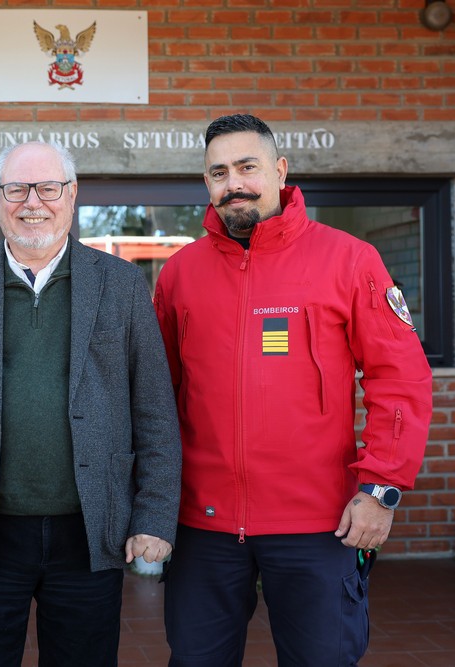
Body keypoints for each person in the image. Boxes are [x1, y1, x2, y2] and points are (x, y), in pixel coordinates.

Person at [154, 114, 433, 666]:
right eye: (218, 172)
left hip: (317, 522)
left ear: (280, 171)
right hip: (202, 525)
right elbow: (155, 396)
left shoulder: (350, 260)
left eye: (246, 167)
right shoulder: (179, 274)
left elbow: (398, 378)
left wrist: (382, 489)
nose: (233, 183)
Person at [0, 141, 181, 667]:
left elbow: (155, 412)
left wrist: (155, 514)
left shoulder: (120, 285)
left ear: (71, 195)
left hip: (91, 530)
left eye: (49, 188)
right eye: (17, 188)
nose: (33, 202)